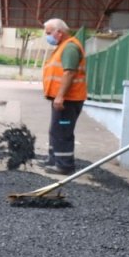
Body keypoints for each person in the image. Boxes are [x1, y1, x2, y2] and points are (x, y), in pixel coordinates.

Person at [39, 18, 87, 174]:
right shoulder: (63, 47)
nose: (47, 37)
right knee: (56, 130)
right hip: (64, 99)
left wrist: (60, 97)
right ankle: (54, 160)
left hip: (68, 100)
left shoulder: (70, 48)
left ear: (59, 32)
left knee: (62, 131)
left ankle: (64, 166)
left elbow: (69, 73)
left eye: (48, 33)